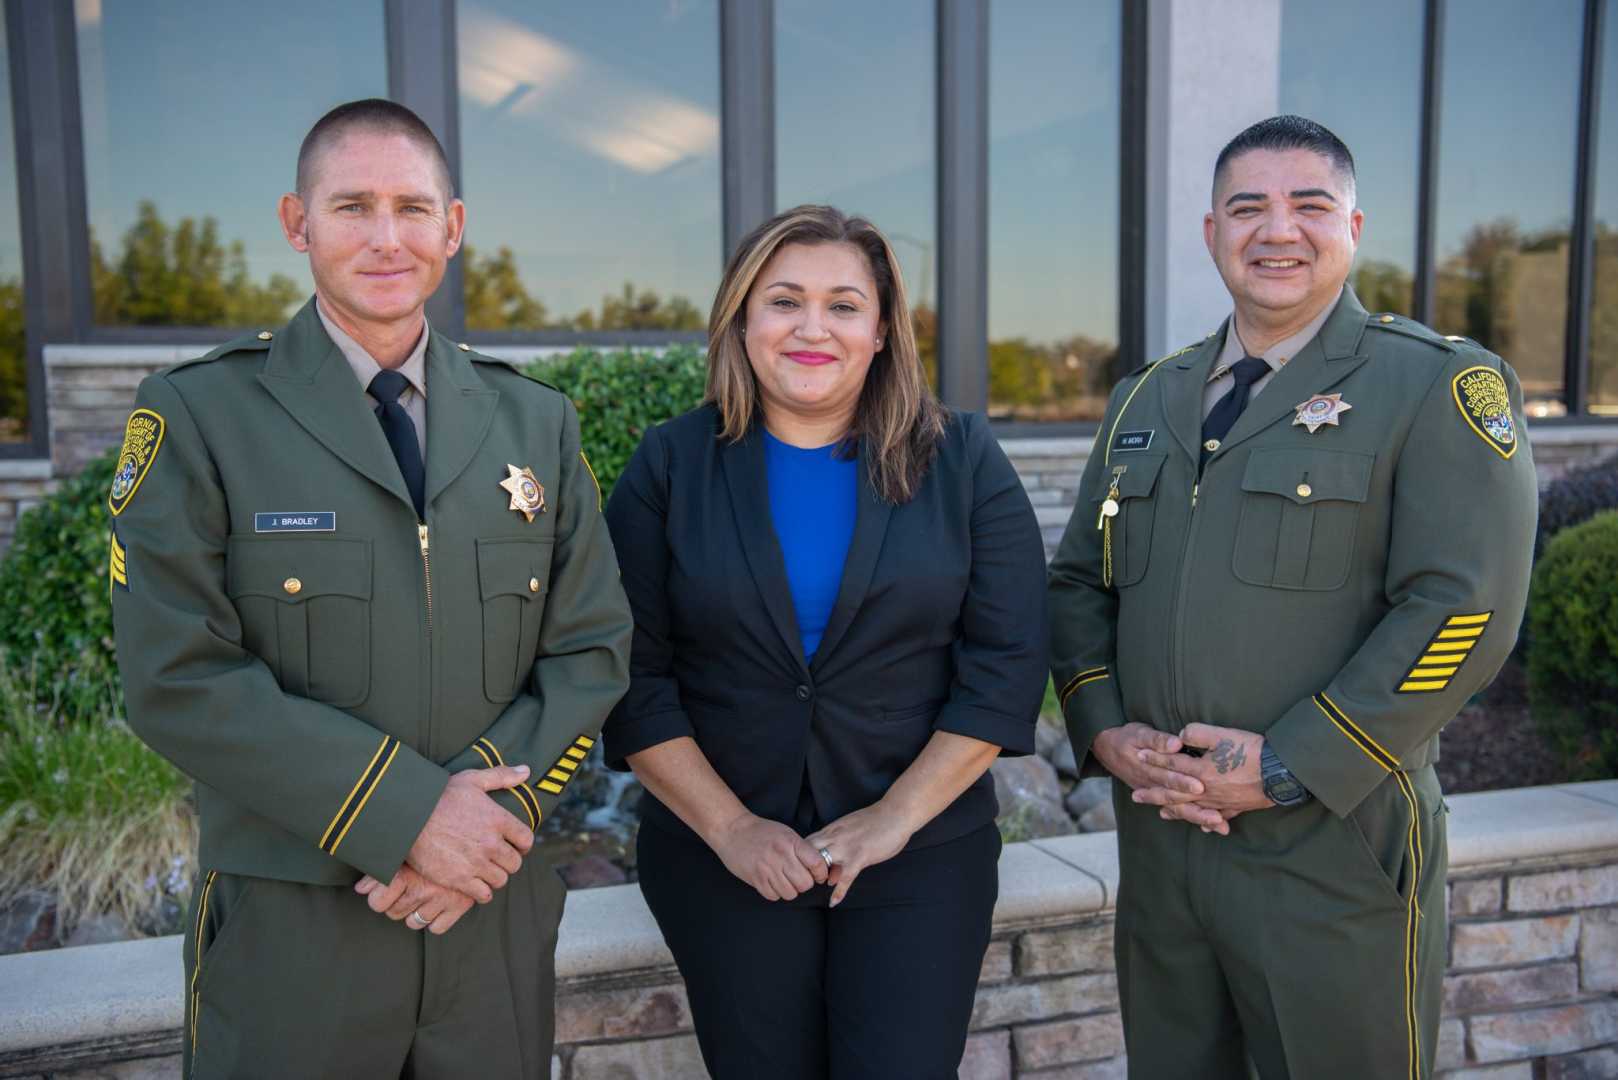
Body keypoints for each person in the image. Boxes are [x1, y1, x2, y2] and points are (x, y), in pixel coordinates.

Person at [107, 98, 632, 1078]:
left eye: (411, 207)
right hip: (296, 927)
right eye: (351, 206)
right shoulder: (200, 416)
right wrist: (404, 819)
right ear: (296, 224)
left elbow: (591, 645)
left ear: (454, 227)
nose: (386, 238)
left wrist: (488, 822)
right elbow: (175, 673)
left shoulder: (536, 425)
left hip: (488, 920)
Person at [1049, 115, 1538, 1079]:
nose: (1278, 229)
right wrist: (1104, 730)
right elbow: (1076, 583)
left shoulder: (1433, 384)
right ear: (1210, 232)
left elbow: (1464, 610)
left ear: (1353, 226)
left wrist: (1288, 765)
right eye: (1248, 207)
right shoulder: (1146, 397)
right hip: (1163, 841)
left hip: (1330, 842)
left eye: (1309, 205)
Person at [602, 204, 1048, 1078]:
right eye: (783, 301)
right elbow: (629, 673)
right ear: (741, 319)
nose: (814, 328)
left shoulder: (963, 461)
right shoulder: (669, 465)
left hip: (920, 851)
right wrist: (731, 829)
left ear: (882, 331)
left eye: (844, 305)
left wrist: (893, 818)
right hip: (722, 855)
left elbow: (1004, 665)